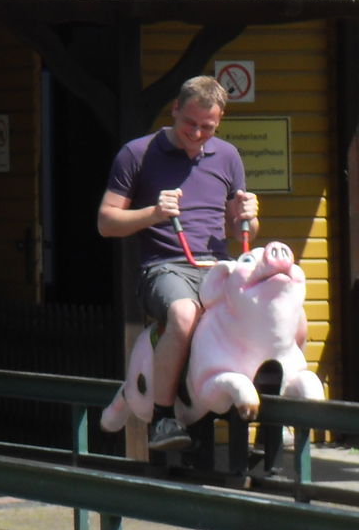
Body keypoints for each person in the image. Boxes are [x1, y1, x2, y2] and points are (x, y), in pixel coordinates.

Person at [96, 75, 259, 452]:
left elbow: (243, 230)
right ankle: (163, 418)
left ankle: (265, 420)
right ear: (174, 110)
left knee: (262, 310)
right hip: (165, 266)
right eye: (190, 123)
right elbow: (106, 223)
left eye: (207, 127)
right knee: (184, 314)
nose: (197, 134)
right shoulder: (137, 153)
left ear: (219, 121)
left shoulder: (228, 156)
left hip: (217, 267)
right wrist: (153, 214)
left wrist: (248, 216)